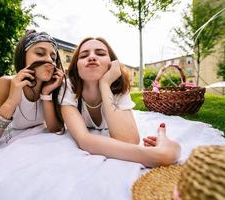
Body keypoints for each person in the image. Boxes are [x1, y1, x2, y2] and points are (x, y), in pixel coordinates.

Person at [59, 37, 181, 167]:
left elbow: (129, 141)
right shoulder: (68, 87)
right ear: (76, 67)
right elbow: (84, 140)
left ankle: (161, 134)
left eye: (100, 53)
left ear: (112, 64)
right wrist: (158, 156)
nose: (92, 57)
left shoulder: (119, 86)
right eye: (84, 55)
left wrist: (105, 84)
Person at [0, 30, 65, 153]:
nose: (49, 60)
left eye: (53, 57)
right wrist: (11, 102)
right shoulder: (5, 84)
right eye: (40, 53)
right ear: (23, 57)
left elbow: (55, 129)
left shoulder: (55, 86)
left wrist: (46, 95)